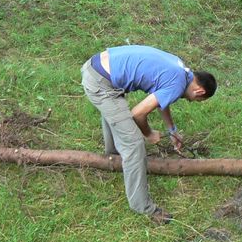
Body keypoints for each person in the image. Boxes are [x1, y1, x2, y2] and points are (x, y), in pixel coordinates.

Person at [80, 45, 217, 224]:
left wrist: (172, 130)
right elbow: (138, 114)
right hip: (100, 82)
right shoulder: (178, 84)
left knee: (117, 114)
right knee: (135, 144)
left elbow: (161, 98)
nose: (194, 102)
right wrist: (149, 133)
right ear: (200, 91)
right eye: (198, 100)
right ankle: (142, 206)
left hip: (97, 66)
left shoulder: (180, 70)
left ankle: (113, 157)